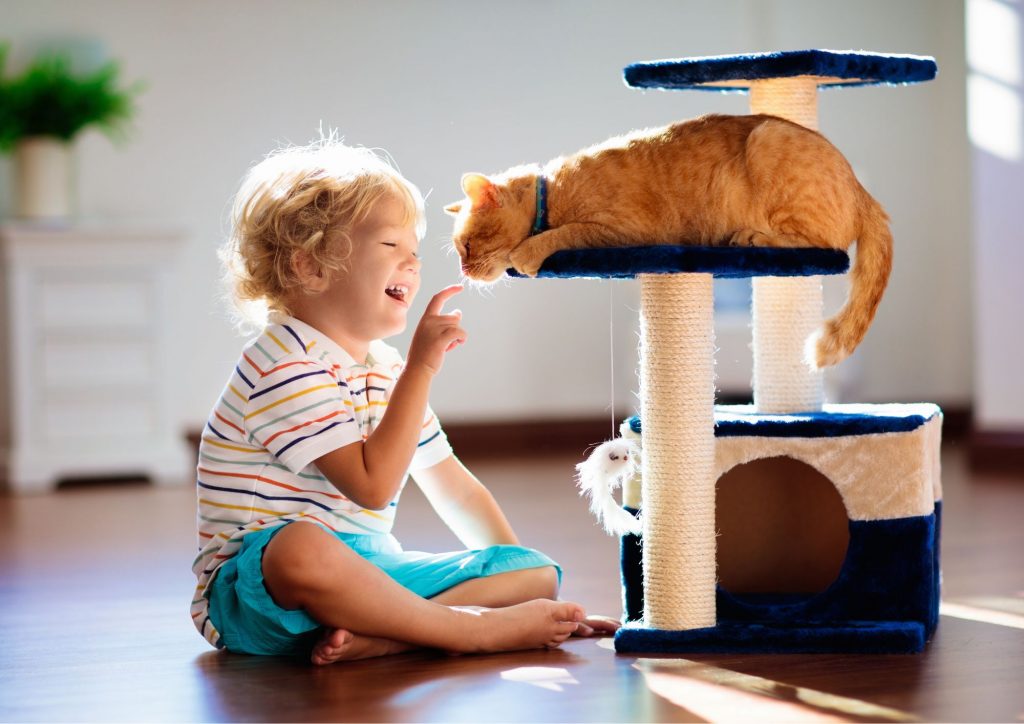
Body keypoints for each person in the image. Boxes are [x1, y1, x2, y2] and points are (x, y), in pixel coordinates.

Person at [191, 139, 618, 665]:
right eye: (391, 245)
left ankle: (389, 636)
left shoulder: (384, 367)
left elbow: (455, 490)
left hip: (369, 576)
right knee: (300, 546)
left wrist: (527, 592)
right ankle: (465, 632)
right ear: (310, 268)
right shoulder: (282, 364)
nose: (413, 262)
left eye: (415, 249)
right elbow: (371, 487)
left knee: (535, 571)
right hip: (255, 593)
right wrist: (421, 368)